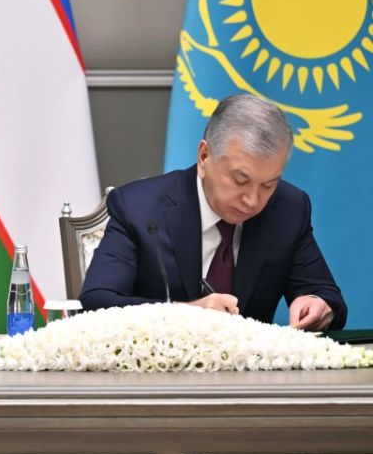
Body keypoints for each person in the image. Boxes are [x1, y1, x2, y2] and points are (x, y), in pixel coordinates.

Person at [80, 93, 345, 331]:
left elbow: (325, 294)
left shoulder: (288, 208)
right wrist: (190, 313)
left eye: (268, 185)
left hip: (252, 369)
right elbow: (97, 302)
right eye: (240, 180)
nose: (252, 200)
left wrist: (318, 305)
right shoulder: (139, 207)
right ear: (204, 156)